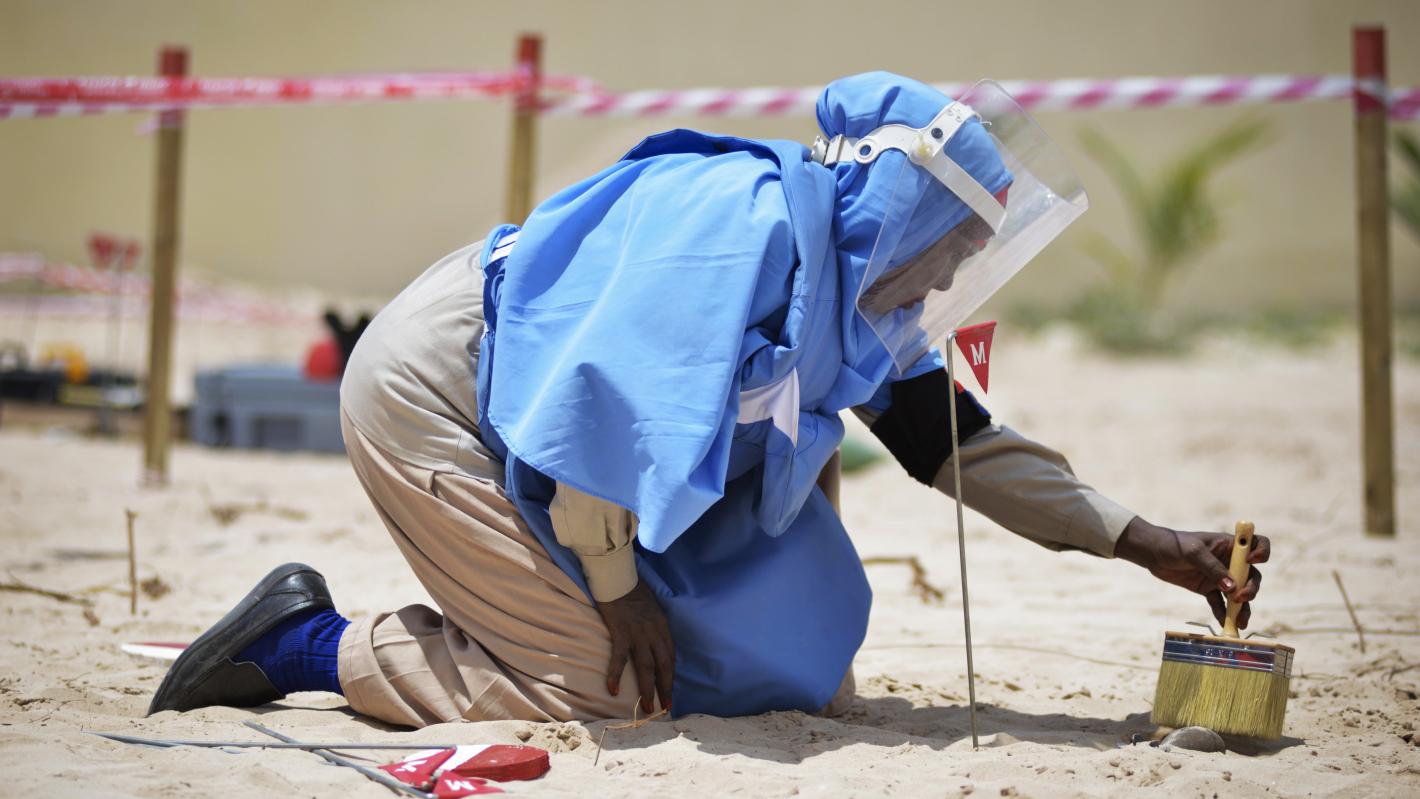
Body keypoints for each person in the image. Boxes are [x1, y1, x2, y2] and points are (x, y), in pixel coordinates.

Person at [148, 72, 1270, 727]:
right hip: (439, 394)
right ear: (901, 209)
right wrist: (616, 585)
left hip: (556, 435)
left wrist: (1141, 541)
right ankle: (306, 640)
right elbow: (596, 400)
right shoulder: (741, 233)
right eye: (951, 247)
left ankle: (525, 613)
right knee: (603, 686)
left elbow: (950, 443)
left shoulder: (851, 294)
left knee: (787, 668)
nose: (946, 280)